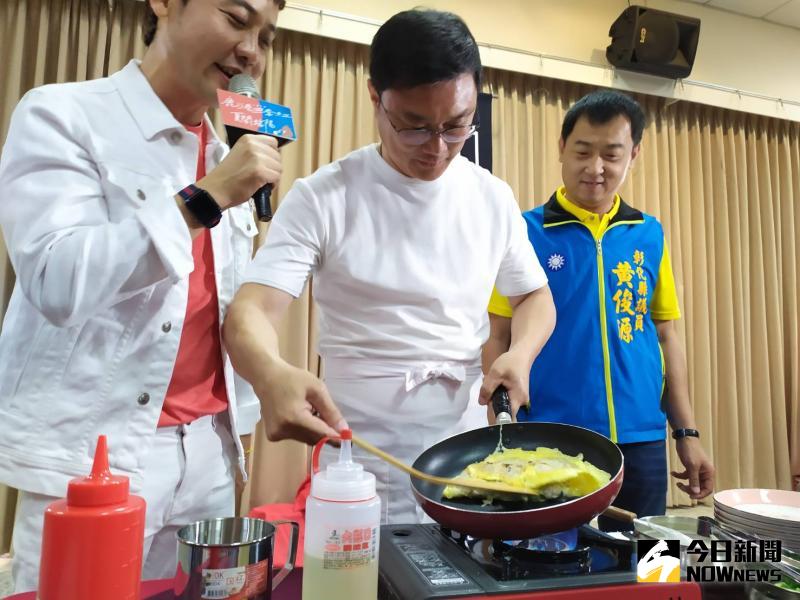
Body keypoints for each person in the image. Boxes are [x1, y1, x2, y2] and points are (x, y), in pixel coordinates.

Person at [222, 9, 556, 524]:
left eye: (456, 126)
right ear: (376, 98)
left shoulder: (490, 196)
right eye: (416, 128)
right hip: (360, 457)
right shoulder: (325, 196)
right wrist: (270, 374)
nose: (438, 148)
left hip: (465, 455)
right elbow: (251, 312)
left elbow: (534, 297)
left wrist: (522, 354)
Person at [0, 0, 286, 590]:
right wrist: (202, 200)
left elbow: (223, 312)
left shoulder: (227, 150)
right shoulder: (65, 113)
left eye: (266, 34)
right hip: (97, 457)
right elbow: (56, 280)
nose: (252, 50)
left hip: (211, 451)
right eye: (237, 20)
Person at [484, 90, 714, 530]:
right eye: (583, 152)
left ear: (634, 155)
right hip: (550, 436)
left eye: (612, 154)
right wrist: (500, 427)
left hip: (641, 439)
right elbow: (498, 334)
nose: (596, 168)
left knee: (646, 563)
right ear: (561, 149)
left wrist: (686, 433)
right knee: (551, 568)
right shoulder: (525, 231)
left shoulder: (648, 234)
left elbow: (665, 336)